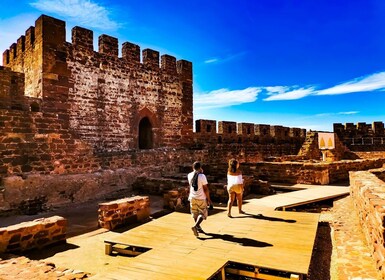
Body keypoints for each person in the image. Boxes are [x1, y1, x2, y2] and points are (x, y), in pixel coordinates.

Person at [187, 161, 212, 237]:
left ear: (193, 167)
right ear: (200, 167)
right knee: (203, 213)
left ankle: (198, 227)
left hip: (192, 197)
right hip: (201, 197)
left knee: (195, 213)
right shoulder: (202, 176)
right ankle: (195, 226)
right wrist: (209, 199)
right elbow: (205, 189)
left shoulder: (189, 175)